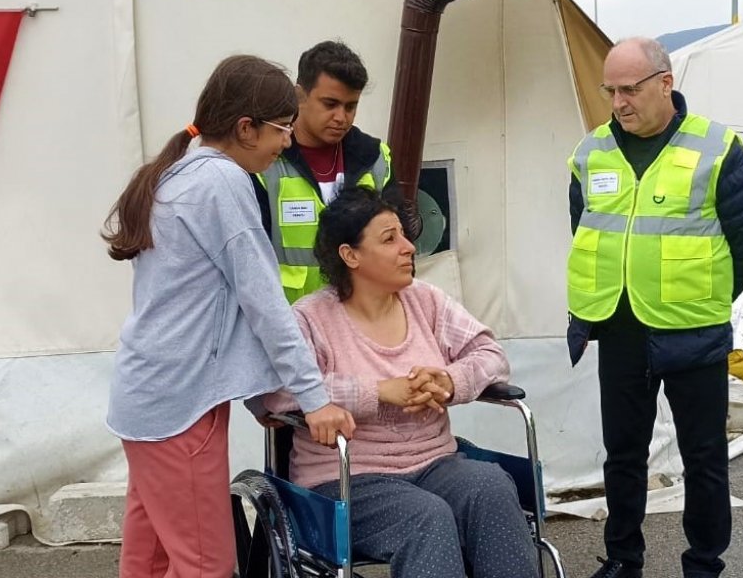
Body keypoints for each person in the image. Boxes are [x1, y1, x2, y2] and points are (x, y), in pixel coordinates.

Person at [101, 55, 355, 578]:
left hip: (154, 398)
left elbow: (210, 313)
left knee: (149, 564)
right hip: (180, 405)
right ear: (246, 128)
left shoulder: (181, 174)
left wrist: (261, 392)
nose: (287, 142)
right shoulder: (223, 182)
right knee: (206, 566)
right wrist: (314, 399)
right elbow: (263, 305)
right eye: (282, 130)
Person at [566, 37, 743, 578]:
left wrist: (700, 294)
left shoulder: (717, 148)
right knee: (623, 456)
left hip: (692, 333)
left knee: (704, 459)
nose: (619, 102)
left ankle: (704, 564)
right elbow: (585, 227)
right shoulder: (592, 152)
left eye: (630, 89)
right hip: (619, 330)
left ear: (665, 83)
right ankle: (622, 559)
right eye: (610, 90)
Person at [258, 186, 541, 578]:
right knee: (427, 517)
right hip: (348, 480)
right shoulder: (311, 318)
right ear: (350, 254)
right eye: (390, 239)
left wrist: (449, 379)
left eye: (405, 236)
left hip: (434, 462)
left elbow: (491, 356)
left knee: (490, 486)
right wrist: (376, 392)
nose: (409, 247)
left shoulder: (426, 301)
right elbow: (276, 390)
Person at [250, 40, 397, 304]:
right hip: (289, 326)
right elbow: (247, 264)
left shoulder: (375, 158)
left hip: (360, 324)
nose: (342, 117)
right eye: (330, 104)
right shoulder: (265, 160)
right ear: (299, 96)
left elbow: (398, 245)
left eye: (350, 106)